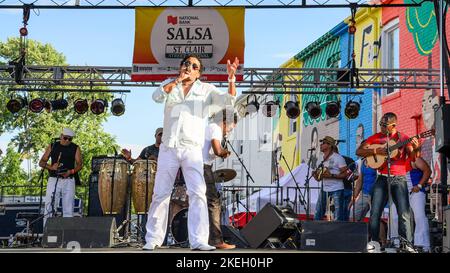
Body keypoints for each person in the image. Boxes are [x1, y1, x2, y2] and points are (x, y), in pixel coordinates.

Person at [143, 54, 238, 251]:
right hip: (169, 147)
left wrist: (231, 78)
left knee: (198, 193)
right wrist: (176, 81)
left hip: (192, 149)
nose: (189, 66)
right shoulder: (170, 84)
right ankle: (153, 239)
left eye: (194, 65)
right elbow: (156, 97)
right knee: (160, 193)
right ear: (180, 67)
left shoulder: (206, 90)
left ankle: (199, 241)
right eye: (186, 63)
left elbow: (228, 99)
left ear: (199, 72)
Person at [356, 112, 419, 250]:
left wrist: (416, 148)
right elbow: (359, 151)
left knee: (404, 213)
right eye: (381, 124)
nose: (382, 127)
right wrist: (376, 151)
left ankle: (406, 244)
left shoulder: (403, 138)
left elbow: (413, 158)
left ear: (393, 125)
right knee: (375, 212)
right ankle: (374, 243)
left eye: (385, 125)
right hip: (382, 177)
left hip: (399, 178)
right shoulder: (376, 137)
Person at [203, 108, 237, 250]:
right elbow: (217, 150)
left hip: (198, 165)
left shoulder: (209, 127)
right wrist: (224, 153)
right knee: (213, 203)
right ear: (225, 122)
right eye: (230, 127)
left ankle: (201, 238)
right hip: (203, 166)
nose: (229, 131)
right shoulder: (215, 128)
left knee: (201, 204)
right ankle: (216, 241)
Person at [39, 128, 83, 227]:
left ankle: (67, 233)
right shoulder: (52, 146)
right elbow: (41, 162)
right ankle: (47, 231)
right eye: (65, 138)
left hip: (69, 180)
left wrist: (70, 172)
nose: (67, 140)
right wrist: (51, 167)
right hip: (54, 179)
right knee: (49, 205)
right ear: (61, 136)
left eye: (70, 139)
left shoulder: (75, 148)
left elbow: (80, 164)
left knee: (68, 207)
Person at [390, 154, 432, 252]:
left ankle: (423, 245)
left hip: (415, 192)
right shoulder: (395, 161)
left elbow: (428, 171)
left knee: (419, 216)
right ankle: (396, 242)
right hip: (402, 193)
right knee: (394, 215)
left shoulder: (414, 158)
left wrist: (419, 185)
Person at [313, 136, 347, 221]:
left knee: (337, 215)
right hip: (324, 188)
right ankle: (315, 231)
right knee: (318, 211)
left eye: (323, 143)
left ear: (329, 145)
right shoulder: (321, 159)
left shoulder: (338, 158)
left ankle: (337, 232)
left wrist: (331, 175)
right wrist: (315, 175)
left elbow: (345, 174)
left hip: (337, 189)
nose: (321, 145)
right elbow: (319, 179)